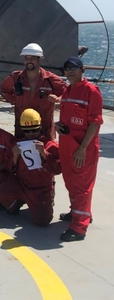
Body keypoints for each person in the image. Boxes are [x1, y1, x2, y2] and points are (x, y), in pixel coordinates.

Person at [56, 56, 103, 242]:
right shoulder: (67, 90)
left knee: (82, 185)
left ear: (82, 70)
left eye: (73, 68)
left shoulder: (92, 92)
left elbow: (95, 123)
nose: (69, 72)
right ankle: (79, 212)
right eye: (66, 69)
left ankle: (78, 227)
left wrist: (83, 148)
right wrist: (59, 125)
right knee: (70, 181)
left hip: (83, 148)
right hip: (68, 144)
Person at [0, 109, 61, 226]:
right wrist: (15, 157)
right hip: (22, 184)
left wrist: (45, 153)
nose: (31, 133)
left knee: (42, 222)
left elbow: (58, 169)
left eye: (34, 130)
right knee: (1, 189)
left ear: (40, 127)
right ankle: (16, 203)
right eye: (27, 131)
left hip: (41, 188)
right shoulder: (17, 145)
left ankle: (49, 196)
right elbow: (9, 168)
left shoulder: (50, 146)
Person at [1, 43, 67, 140]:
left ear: (40, 59)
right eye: (26, 58)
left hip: (44, 131)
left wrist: (58, 99)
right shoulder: (16, 78)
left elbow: (69, 93)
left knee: (46, 154)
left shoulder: (51, 79)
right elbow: (5, 88)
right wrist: (15, 101)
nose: (29, 61)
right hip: (22, 131)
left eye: (32, 58)